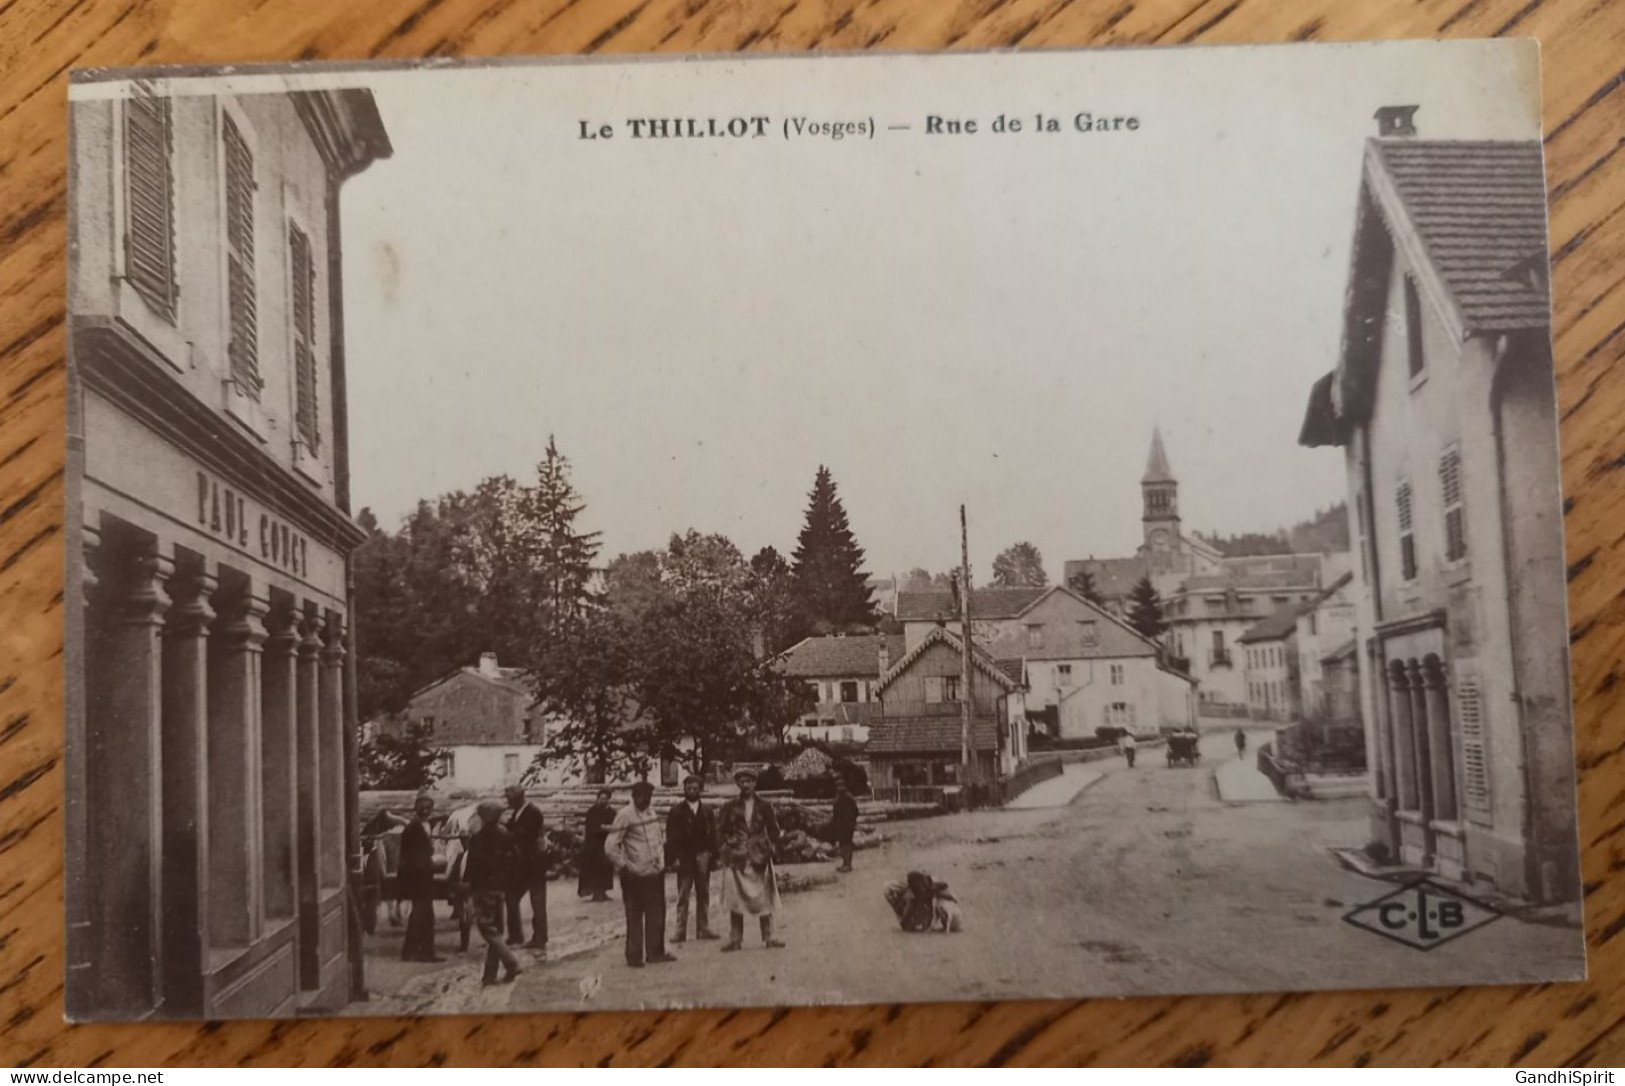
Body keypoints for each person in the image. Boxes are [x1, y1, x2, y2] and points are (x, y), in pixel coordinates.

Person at [605, 780, 675, 967]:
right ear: (634, 796)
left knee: (657, 913)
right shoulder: (625, 815)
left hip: (654, 872)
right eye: (641, 796)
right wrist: (623, 867)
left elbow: (658, 839)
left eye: (648, 796)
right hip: (634, 874)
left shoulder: (651, 811)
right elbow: (611, 846)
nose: (645, 800)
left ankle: (655, 952)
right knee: (634, 915)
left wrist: (662, 862)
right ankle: (634, 956)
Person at [717, 768, 784, 951]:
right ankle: (735, 939)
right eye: (742, 781)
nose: (746, 785)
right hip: (736, 857)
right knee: (735, 898)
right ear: (737, 784)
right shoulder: (730, 806)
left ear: (755, 783)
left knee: (764, 896)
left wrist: (770, 848)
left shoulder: (765, 806)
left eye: (749, 781)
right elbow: (720, 829)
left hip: (759, 857)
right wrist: (726, 847)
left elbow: (774, 830)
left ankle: (769, 936)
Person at [462, 800, 522, 986]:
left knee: (487, 929)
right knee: (497, 931)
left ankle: (511, 963)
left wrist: (467, 887)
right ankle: (489, 975)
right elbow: (517, 860)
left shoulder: (478, 838)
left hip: (483, 889)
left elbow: (472, 866)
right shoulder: (507, 836)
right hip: (500, 888)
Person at [666, 774, 720, 942]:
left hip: (703, 854)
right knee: (683, 894)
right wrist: (673, 858)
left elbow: (714, 835)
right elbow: (671, 837)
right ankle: (680, 931)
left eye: (695, 788)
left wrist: (714, 855)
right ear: (684, 789)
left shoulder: (707, 811)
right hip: (685, 856)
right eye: (688, 788)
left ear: (700, 790)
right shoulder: (676, 811)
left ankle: (703, 928)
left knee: (703, 892)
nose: (691, 791)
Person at [501, 785, 548, 953]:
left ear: (519, 797)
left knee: (537, 902)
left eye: (510, 799)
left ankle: (540, 937)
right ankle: (516, 935)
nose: (508, 802)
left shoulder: (532, 812)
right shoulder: (518, 812)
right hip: (520, 865)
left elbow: (524, 834)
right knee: (511, 898)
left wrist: (505, 830)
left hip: (532, 863)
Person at [399, 793, 442, 962]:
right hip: (417, 877)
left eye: (428, 807)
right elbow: (413, 857)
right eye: (422, 807)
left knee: (426, 915)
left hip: (423, 875)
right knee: (420, 915)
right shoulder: (414, 827)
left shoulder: (424, 825)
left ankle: (425, 951)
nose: (425, 810)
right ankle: (412, 951)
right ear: (415, 808)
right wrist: (432, 862)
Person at [577, 788, 616, 902]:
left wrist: (608, 827)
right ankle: (596, 893)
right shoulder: (592, 811)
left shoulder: (611, 811)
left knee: (605, 867)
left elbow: (616, 823)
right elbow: (592, 828)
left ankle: (603, 892)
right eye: (601, 798)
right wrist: (603, 828)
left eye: (605, 798)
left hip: (606, 843)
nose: (603, 801)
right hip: (593, 844)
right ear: (597, 799)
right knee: (594, 869)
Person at [831, 776, 859, 873]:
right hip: (839, 824)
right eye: (838, 786)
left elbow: (856, 811)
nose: (839, 788)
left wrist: (851, 821)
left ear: (844, 786)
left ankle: (848, 864)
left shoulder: (848, 797)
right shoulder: (838, 796)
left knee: (847, 844)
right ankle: (844, 863)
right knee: (842, 844)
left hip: (847, 825)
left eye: (841, 786)